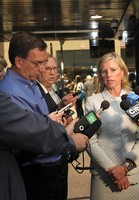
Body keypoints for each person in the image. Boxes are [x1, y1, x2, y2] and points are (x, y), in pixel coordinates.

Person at [0, 31, 74, 200]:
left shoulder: (32, 81)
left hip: (54, 166)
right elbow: (27, 136)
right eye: (37, 64)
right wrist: (70, 140)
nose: (41, 69)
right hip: (35, 172)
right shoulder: (7, 92)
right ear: (19, 61)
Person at [0, 93, 89, 200]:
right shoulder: (9, 90)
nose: (52, 74)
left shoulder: (37, 89)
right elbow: (26, 130)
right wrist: (70, 141)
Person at [85, 52, 139, 200]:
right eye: (104, 71)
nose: (109, 75)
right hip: (104, 176)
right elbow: (90, 140)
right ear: (100, 75)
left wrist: (125, 168)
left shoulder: (136, 99)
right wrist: (112, 170)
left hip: (134, 174)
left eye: (113, 70)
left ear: (123, 72)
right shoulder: (93, 102)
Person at [37, 54, 78, 199]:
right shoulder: (36, 91)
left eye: (54, 68)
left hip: (59, 160)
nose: (52, 72)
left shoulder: (52, 90)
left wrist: (62, 105)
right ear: (38, 68)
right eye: (48, 68)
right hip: (46, 163)